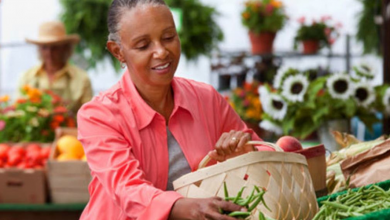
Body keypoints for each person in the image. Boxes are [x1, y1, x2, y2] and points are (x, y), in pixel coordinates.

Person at [77, 0, 272, 219]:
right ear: (118, 52)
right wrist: (180, 207)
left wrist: (247, 155)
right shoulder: (98, 115)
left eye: (168, 37)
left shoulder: (207, 99)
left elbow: (269, 158)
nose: (161, 52)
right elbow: (127, 188)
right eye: (143, 45)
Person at [18, 21, 93, 114]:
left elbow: (89, 116)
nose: (49, 53)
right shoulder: (27, 77)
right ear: (39, 49)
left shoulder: (82, 79)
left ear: (65, 48)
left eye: (54, 47)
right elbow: (18, 110)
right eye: (44, 47)